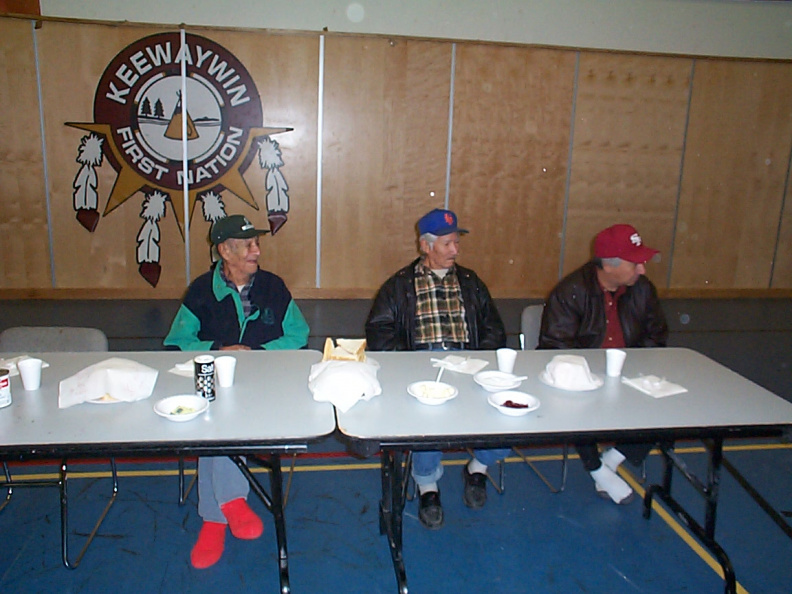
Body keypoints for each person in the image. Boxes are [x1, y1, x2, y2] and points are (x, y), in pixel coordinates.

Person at [164, 214, 309, 568]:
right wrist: (217, 349)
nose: (256, 251)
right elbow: (175, 344)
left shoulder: (273, 287)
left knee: (217, 424)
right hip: (215, 383)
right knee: (216, 416)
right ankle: (226, 506)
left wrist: (258, 353)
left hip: (266, 386)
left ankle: (214, 518)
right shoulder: (200, 292)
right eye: (247, 245)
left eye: (256, 243)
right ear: (224, 252)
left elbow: (299, 335)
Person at [365, 208, 507, 529]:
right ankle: (428, 484)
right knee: (427, 413)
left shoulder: (471, 283)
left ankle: (478, 468)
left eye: (456, 243)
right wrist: (409, 364)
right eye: (447, 244)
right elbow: (380, 331)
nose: (455, 250)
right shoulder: (399, 286)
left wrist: (481, 361)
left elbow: (493, 328)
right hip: (421, 364)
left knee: (510, 410)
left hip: (468, 362)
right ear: (425, 246)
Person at [538, 223, 668, 504]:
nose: (642, 269)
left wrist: (636, 374)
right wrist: (593, 379)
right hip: (584, 381)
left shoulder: (643, 290)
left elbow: (656, 338)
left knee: (666, 405)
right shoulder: (571, 291)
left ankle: (612, 457)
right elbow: (555, 350)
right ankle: (596, 468)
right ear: (609, 265)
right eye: (636, 263)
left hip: (630, 377)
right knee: (576, 403)